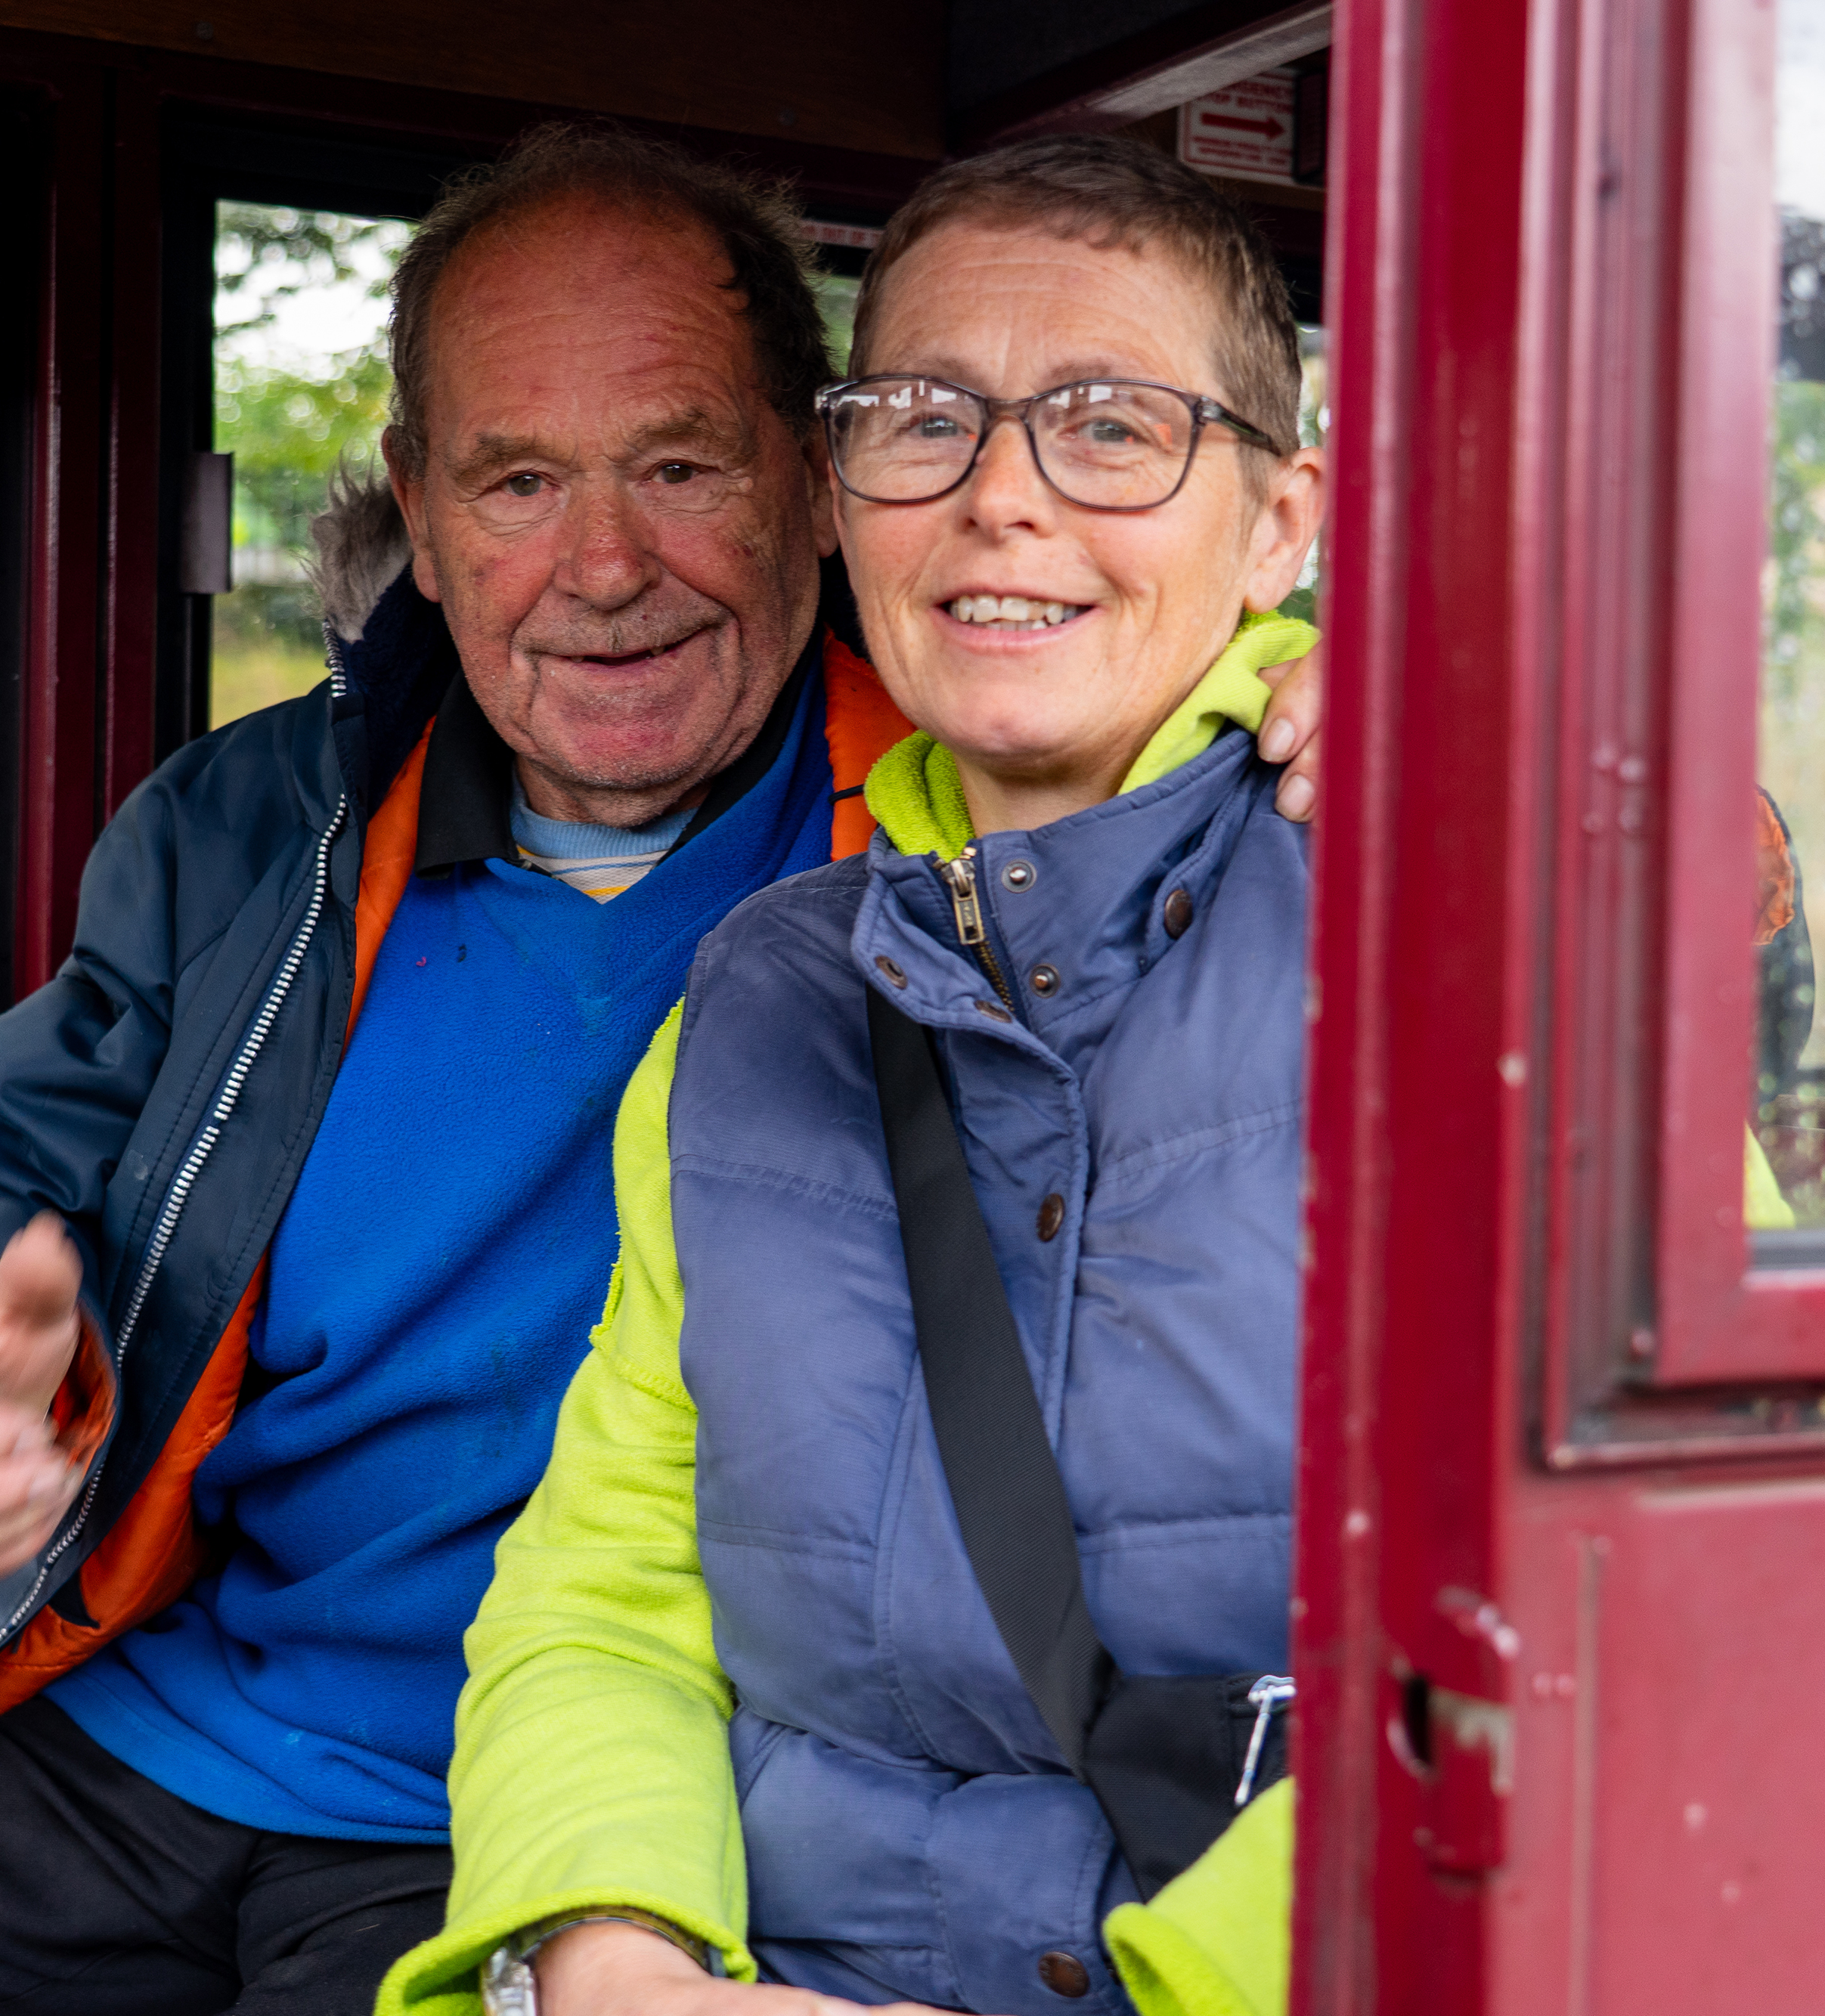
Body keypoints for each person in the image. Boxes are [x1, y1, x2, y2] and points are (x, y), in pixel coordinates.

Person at [0, 126, 1326, 2016]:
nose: (602, 566)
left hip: (599, 1812)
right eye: (518, 481)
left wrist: (1362, 667)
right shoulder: (265, 829)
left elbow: (1143, 721)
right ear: (420, 511)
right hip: (173, 1730)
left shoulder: (930, 841)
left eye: (679, 466)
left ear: (805, 486)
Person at [386, 135, 1324, 2016]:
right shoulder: (757, 1000)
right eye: (923, 422)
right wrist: (614, 1965)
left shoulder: (1464, 936)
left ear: (1275, 526)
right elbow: (603, 1591)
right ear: (840, 493)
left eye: (1111, 427)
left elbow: (1655, 1629)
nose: (1000, 499)